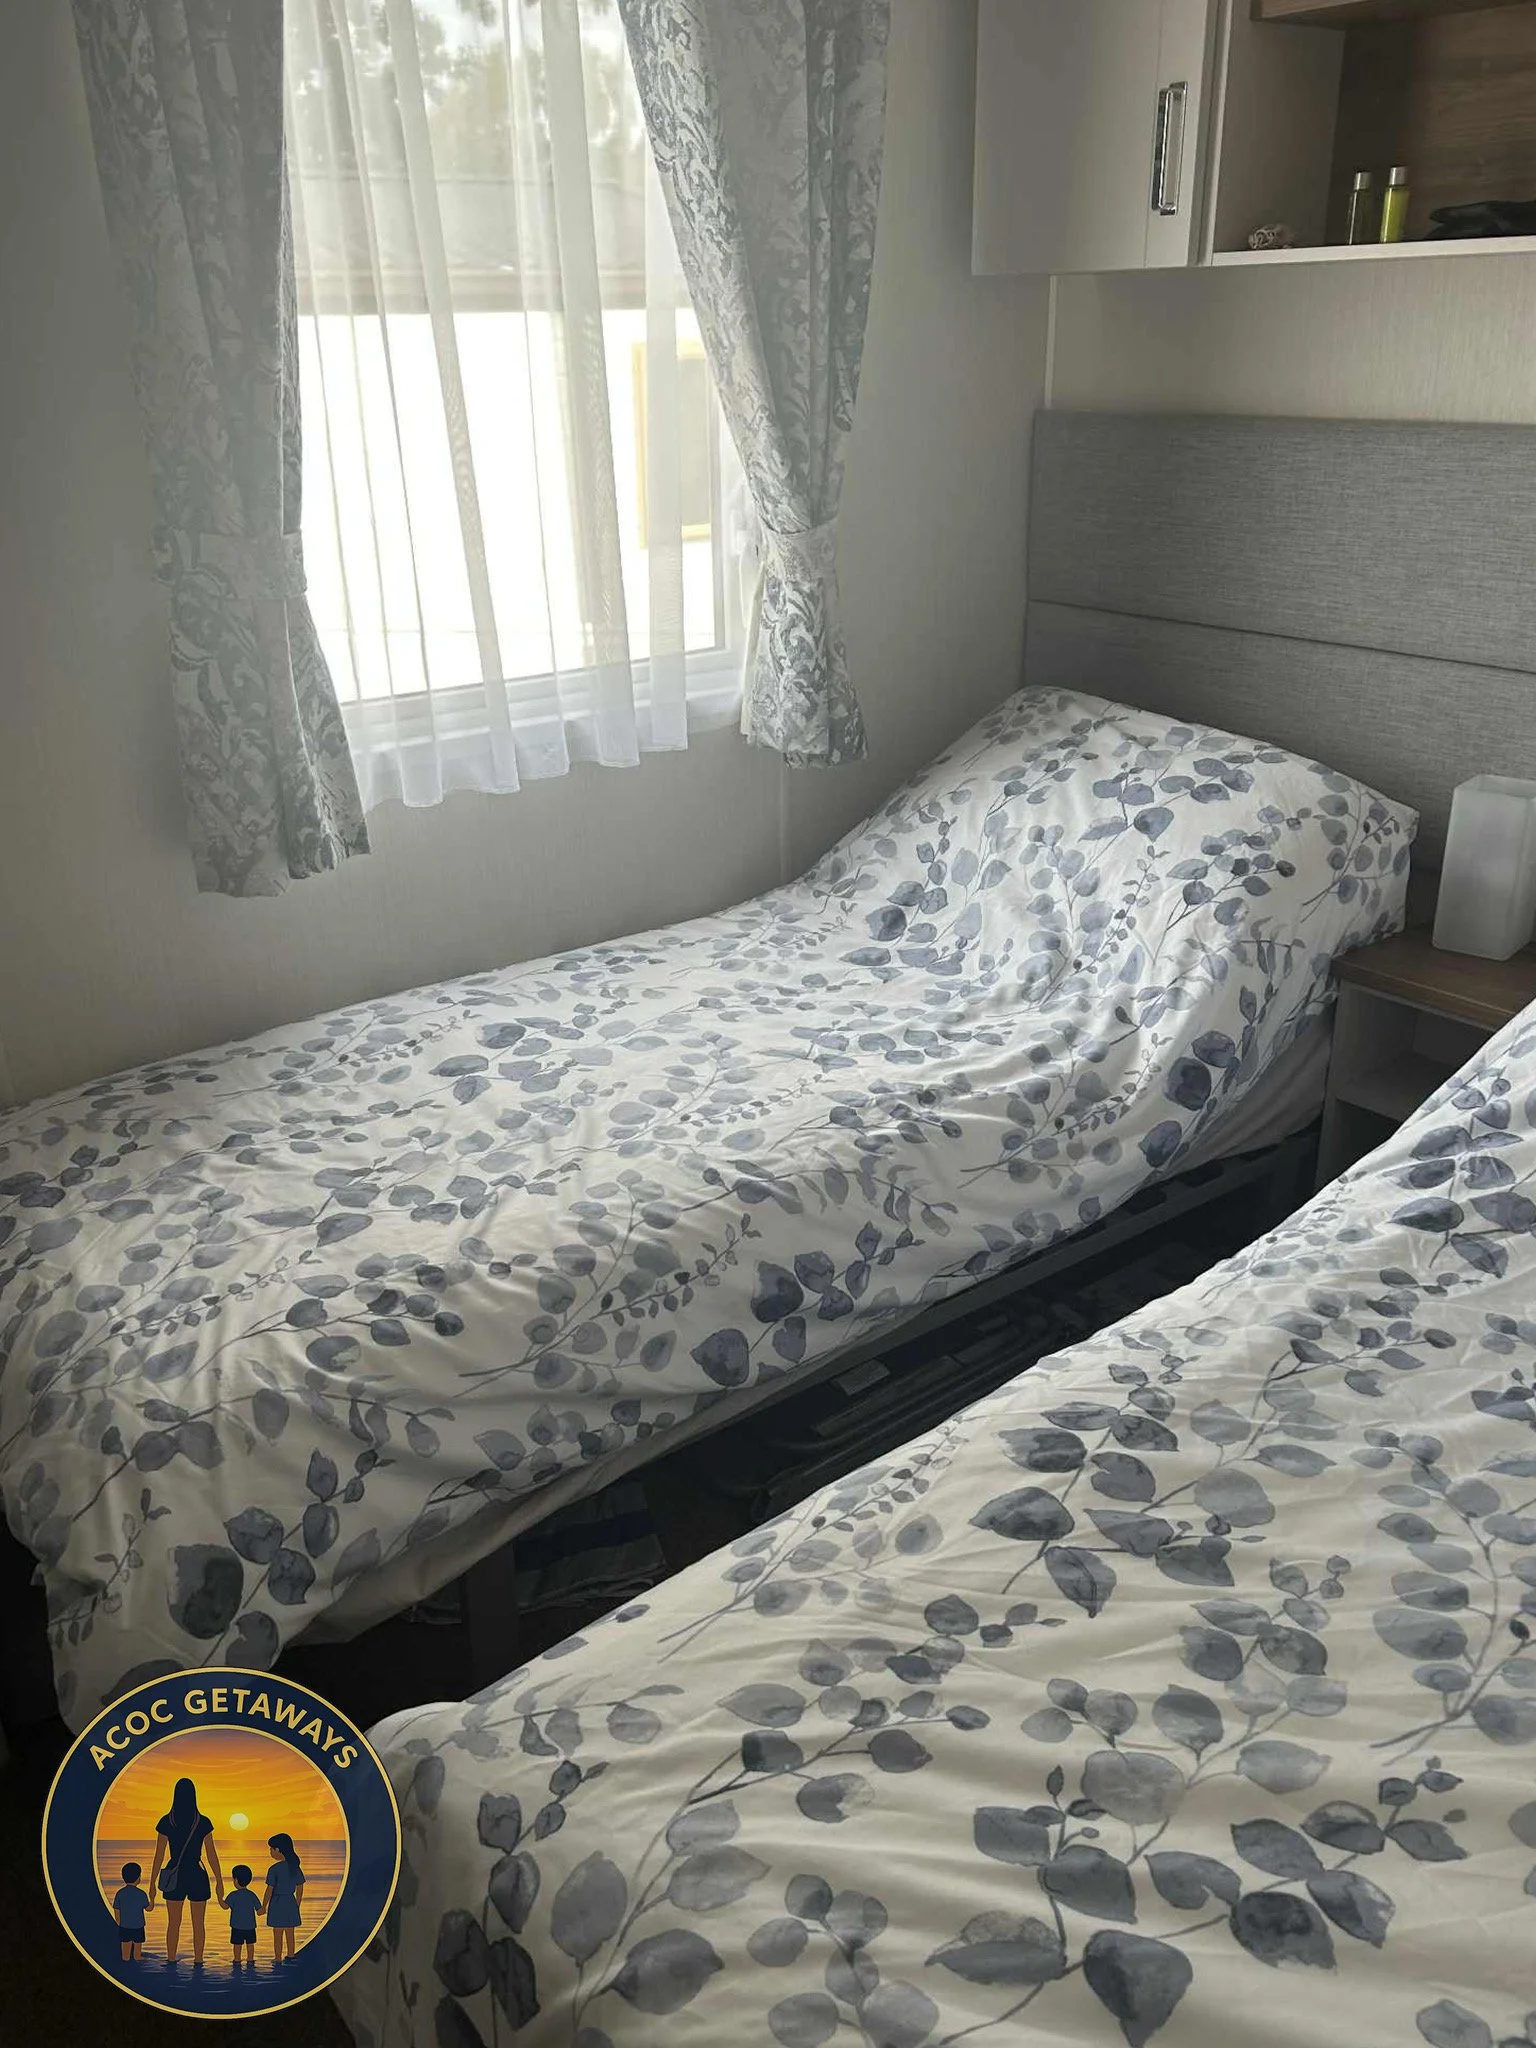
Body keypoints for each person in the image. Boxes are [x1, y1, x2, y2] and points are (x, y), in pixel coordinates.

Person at [147, 1776, 224, 1965]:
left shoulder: (167, 1821)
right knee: (199, 1924)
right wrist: (220, 1881)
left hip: (174, 1874)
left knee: (173, 1923)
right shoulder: (203, 1822)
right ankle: (198, 1961)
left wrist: (152, 1884)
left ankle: (171, 1959)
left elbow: (158, 1856)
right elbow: (211, 1855)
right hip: (197, 1874)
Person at [261, 1834, 304, 1963]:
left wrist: (264, 1906)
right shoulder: (294, 1867)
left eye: (271, 1849)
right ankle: (291, 1954)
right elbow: (300, 1886)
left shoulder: (274, 1869)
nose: (270, 1852)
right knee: (290, 1932)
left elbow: (269, 1889)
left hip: (277, 1902)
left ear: (278, 1850)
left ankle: (278, 1957)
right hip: (290, 1901)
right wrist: (297, 1903)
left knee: (278, 1933)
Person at [113, 1860, 151, 1962]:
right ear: (138, 1878)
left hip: (124, 1926)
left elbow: (117, 1910)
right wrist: (152, 1898)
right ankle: (137, 1956)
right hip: (138, 1926)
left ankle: (125, 1958)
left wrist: (119, 1923)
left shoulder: (120, 1893)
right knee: (138, 1947)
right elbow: (148, 1908)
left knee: (125, 1950)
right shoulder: (141, 1894)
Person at [224, 1864, 260, 1966]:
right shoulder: (252, 1894)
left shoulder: (233, 1895)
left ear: (235, 1880)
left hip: (237, 1926)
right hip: (250, 1926)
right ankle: (250, 1960)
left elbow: (225, 1906)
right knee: (250, 1945)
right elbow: (259, 1909)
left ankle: (237, 1960)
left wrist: (219, 1898)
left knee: (237, 1945)